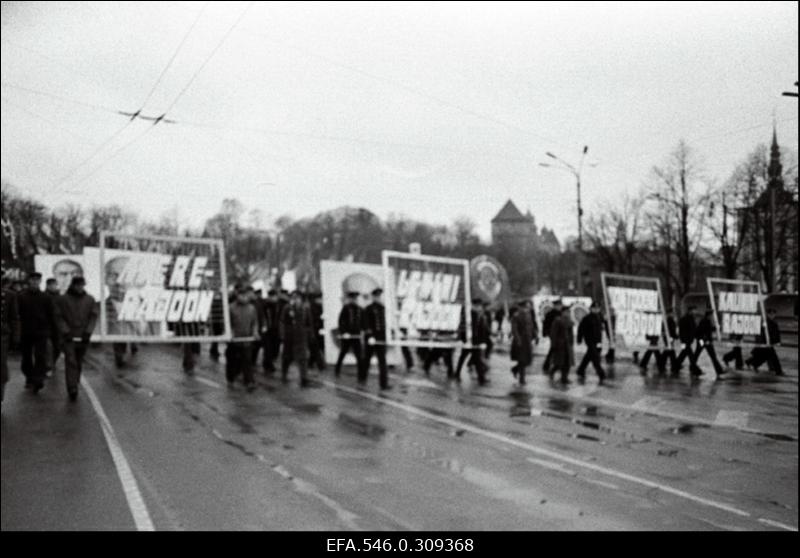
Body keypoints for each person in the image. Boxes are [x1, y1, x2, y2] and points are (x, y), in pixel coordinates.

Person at [53, 276, 97, 401]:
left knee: (78, 360)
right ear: (72, 285)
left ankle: (75, 380)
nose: (79, 287)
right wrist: (65, 331)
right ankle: (72, 387)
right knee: (71, 360)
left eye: (81, 285)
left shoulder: (90, 300)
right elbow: (58, 316)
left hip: (83, 335)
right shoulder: (62, 300)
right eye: (77, 285)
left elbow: (93, 316)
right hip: (69, 336)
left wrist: (88, 332)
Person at [17, 272, 55, 393]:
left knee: (40, 356)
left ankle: (38, 379)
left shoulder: (46, 297)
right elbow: (17, 314)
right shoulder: (21, 296)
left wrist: (50, 330)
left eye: (37, 280)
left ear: (40, 281)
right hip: (26, 331)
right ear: (29, 281)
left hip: (41, 331)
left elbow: (51, 314)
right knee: (26, 357)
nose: (34, 282)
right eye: (32, 280)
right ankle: (29, 377)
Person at [226, 286, 259, 391]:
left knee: (247, 360)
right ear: (237, 295)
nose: (244, 298)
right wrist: (230, 333)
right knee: (232, 361)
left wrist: (255, 332)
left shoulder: (251, 308)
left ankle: (249, 381)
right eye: (241, 295)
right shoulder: (231, 308)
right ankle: (230, 378)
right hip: (234, 340)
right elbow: (228, 323)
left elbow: (255, 323)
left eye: (245, 295)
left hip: (247, 340)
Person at [280, 290, 314, 387]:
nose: (296, 299)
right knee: (287, 357)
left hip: (301, 336)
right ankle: (284, 373)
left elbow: (309, 323)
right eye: (294, 297)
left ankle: (304, 378)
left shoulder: (305, 308)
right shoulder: (287, 308)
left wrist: (310, 335)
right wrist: (282, 335)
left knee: (303, 358)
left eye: (298, 297)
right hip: (289, 337)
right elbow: (282, 322)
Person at [455, 299, 489, 385]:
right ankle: (457, 373)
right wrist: (463, 338)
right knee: (463, 357)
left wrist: (483, 340)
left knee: (477, 359)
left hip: (477, 341)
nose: (479, 307)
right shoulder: (469, 315)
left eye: (480, 306)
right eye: (477, 305)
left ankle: (481, 378)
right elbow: (463, 327)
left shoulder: (481, 315)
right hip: (469, 339)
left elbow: (483, 329)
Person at [363, 288, 390, 389]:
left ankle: (384, 384)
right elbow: (366, 323)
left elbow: (385, 324)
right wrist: (369, 336)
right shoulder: (368, 309)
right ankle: (362, 378)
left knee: (382, 361)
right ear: (373, 297)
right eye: (377, 296)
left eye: (379, 296)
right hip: (371, 339)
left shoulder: (383, 308)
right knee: (367, 359)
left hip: (381, 338)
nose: (378, 298)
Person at [745, 308, 783, 376]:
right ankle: (778, 371)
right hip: (766, 343)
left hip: (768, 343)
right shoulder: (765, 323)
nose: (772, 315)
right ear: (767, 314)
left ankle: (751, 362)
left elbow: (776, 334)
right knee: (772, 356)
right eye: (770, 314)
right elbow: (761, 333)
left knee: (764, 356)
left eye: (773, 314)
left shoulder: (772, 323)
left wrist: (777, 341)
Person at [335, 291, 364, 377]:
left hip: (356, 335)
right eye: (353, 298)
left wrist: (362, 331)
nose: (354, 300)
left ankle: (361, 374)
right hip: (347, 336)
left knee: (359, 355)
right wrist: (344, 332)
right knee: (343, 353)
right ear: (350, 299)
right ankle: (337, 370)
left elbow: (363, 322)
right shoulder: (346, 308)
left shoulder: (360, 309)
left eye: (356, 298)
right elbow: (341, 321)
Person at [576, 302, 606, 384]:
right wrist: (579, 338)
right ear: (591, 309)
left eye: (598, 308)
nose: (596, 310)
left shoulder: (599, 317)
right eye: (594, 308)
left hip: (598, 340)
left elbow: (602, 327)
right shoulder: (587, 318)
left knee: (589, 356)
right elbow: (581, 329)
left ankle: (580, 370)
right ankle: (601, 373)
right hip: (590, 340)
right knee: (595, 357)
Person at [2, 274, 21, 402]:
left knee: (0, 366)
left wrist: (16, 337)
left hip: (2, 335)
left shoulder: (9, 295)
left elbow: (14, 318)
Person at [693, 307, 725, 379]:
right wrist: (705, 340)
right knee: (706, 355)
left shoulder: (706, 320)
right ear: (709, 315)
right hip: (704, 341)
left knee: (710, 356)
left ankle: (719, 370)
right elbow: (703, 331)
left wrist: (716, 327)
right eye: (712, 315)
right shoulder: (706, 321)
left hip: (704, 341)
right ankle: (718, 370)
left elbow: (708, 330)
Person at [511, 300, 535, 385]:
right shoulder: (516, 316)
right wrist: (518, 340)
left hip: (527, 340)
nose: (527, 309)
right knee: (522, 360)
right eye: (525, 307)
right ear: (520, 307)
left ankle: (515, 369)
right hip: (520, 341)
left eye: (528, 307)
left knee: (527, 360)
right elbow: (514, 329)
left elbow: (531, 326)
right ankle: (522, 379)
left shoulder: (528, 315)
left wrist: (534, 335)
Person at [549, 306, 575, 385]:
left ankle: (564, 378)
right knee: (560, 362)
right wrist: (554, 345)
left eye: (568, 311)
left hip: (568, 345)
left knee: (567, 362)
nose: (568, 313)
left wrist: (572, 342)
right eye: (566, 311)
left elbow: (571, 333)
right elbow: (553, 333)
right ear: (562, 312)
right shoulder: (558, 321)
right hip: (560, 345)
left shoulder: (569, 321)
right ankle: (553, 371)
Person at [675, 306, 701, 377]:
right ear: (690, 311)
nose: (695, 312)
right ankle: (695, 369)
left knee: (684, 354)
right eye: (694, 310)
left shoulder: (691, 319)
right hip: (685, 340)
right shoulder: (685, 319)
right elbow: (682, 331)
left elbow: (693, 330)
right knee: (690, 355)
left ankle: (676, 366)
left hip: (688, 340)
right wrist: (683, 340)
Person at [260, 289, 281, 373]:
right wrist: (264, 327)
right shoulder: (265, 305)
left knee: (274, 348)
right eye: (274, 296)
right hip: (267, 330)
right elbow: (263, 317)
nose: (276, 298)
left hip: (275, 330)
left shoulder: (277, 305)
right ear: (270, 296)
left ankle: (267, 363)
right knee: (268, 348)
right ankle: (268, 365)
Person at [44, 277, 62, 372]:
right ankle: (48, 366)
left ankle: (52, 362)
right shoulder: (43, 296)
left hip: (57, 326)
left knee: (57, 348)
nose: (53, 286)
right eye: (51, 285)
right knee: (48, 348)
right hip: (46, 326)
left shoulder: (60, 297)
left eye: (54, 284)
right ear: (47, 286)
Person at [541, 299, 563, 373]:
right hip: (553, 334)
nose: (560, 307)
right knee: (554, 348)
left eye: (560, 305)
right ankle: (548, 364)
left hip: (560, 334)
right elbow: (546, 324)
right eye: (558, 305)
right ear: (555, 306)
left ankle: (553, 364)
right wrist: (545, 333)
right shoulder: (550, 314)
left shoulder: (561, 313)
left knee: (556, 349)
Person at [308, 292, 326, 371]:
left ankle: (312, 363)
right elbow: (313, 320)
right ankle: (319, 365)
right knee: (316, 347)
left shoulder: (319, 307)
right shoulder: (314, 308)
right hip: (315, 331)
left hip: (318, 330)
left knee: (317, 347)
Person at [659, 308, 679, 374]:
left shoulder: (667, 320)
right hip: (669, 337)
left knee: (669, 351)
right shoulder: (670, 320)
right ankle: (673, 366)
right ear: (669, 313)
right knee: (669, 351)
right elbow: (672, 330)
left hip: (668, 337)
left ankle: (671, 365)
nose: (673, 314)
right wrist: (675, 336)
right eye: (672, 313)